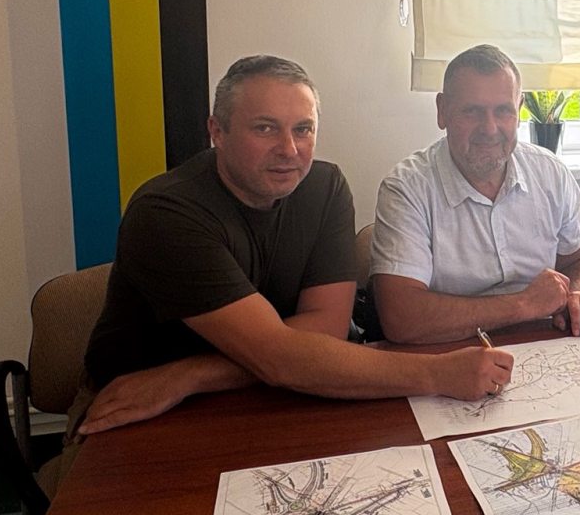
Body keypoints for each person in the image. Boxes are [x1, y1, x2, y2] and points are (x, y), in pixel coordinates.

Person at [76, 55, 513, 436]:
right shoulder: (166, 214)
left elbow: (326, 329)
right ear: (217, 131)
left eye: (303, 129)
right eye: (265, 128)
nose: (289, 149)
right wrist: (438, 373)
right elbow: (278, 358)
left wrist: (191, 374)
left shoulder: (324, 187)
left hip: (247, 392)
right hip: (139, 404)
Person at [370, 44, 580, 343]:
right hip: (449, 353)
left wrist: (575, 294)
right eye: (472, 111)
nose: (490, 128)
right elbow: (402, 318)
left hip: (544, 347)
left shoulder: (551, 174)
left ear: (519, 110)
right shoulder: (407, 189)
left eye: (503, 111)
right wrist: (523, 304)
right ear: (442, 111)